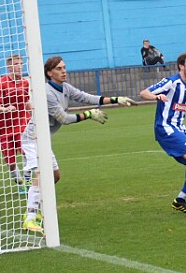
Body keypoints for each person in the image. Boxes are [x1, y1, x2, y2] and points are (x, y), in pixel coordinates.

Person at [21, 56, 136, 233]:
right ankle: (30, 218)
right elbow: (64, 119)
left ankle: (35, 206)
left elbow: (87, 97)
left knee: (54, 176)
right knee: (42, 175)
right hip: (32, 139)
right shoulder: (46, 93)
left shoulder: (65, 88)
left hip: (43, 140)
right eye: (59, 68)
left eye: (64, 67)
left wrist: (116, 99)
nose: (63, 71)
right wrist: (88, 115)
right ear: (49, 73)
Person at [139, 52, 186, 213]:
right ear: (181, 66)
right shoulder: (171, 82)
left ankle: (179, 199)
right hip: (165, 128)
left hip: (180, 129)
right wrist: (156, 97)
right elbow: (144, 93)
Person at [0, 54, 32, 186]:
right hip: (2, 129)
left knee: (27, 152)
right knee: (11, 162)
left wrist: (35, 113)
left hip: (21, 124)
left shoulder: (25, 82)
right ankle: (19, 181)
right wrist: (4, 109)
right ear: (9, 67)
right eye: (16, 64)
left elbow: (26, 101)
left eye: (20, 64)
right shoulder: (1, 83)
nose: (19, 67)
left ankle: (28, 181)